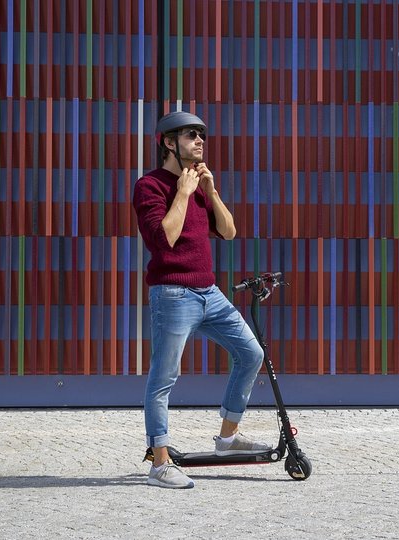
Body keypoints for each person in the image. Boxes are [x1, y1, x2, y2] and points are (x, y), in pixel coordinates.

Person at [132, 110, 270, 489]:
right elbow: (164, 240)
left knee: (252, 353)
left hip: (209, 292)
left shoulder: (199, 186)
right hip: (173, 295)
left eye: (201, 135)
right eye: (191, 135)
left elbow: (228, 231)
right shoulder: (150, 187)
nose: (200, 141)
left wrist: (210, 191)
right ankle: (159, 463)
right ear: (168, 142)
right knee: (164, 377)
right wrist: (183, 192)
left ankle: (227, 438)